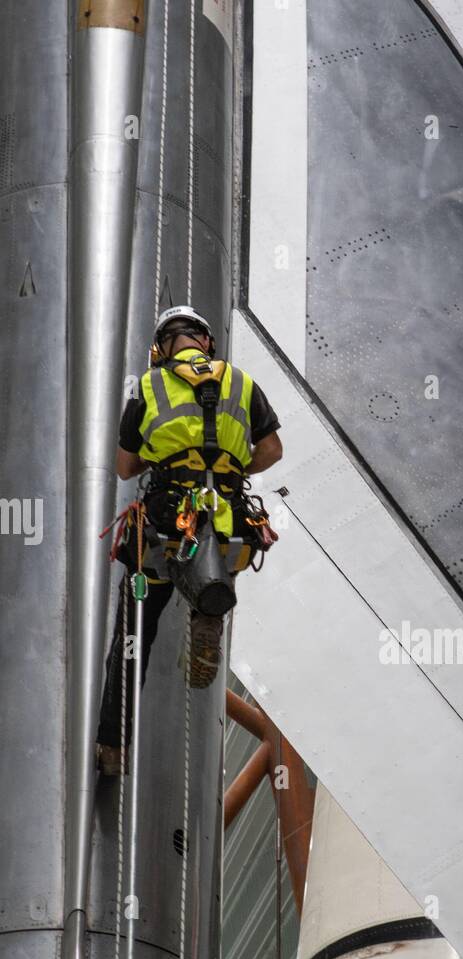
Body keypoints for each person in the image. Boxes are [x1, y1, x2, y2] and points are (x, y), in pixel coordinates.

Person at [96, 305, 282, 775]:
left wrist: (164, 458)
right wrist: (233, 468)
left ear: (160, 348)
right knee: (216, 550)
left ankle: (113, 748)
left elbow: (124, 466)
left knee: (135, 632)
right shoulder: (241, 383)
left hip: (166, 520)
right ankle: (209, 605)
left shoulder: (149, 385)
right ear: (206, 342)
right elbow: (272, 450)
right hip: (229, 519)